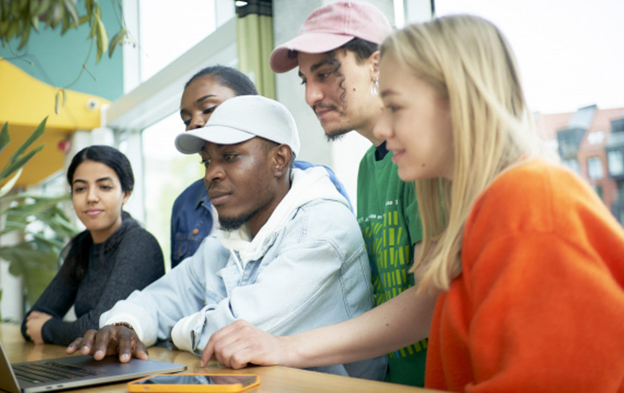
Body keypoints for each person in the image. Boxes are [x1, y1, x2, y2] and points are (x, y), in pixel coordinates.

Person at [372, 15, 624, 391]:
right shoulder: (495, 207)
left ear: (460, 102)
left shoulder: (529, 203)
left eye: (395, 107)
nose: (380, 129)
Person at [67, 95, 386, 381]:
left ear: (280, 159)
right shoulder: (229, 239)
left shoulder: (322, 229)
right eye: (207, 161)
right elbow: (162, 298)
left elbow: (237, 332)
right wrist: (125, 325)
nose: (211, 174)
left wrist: (170, 331)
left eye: (230, 157)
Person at [201, 2, 432, 387]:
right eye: (305, 80)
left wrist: (287, 347)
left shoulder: (423, 159)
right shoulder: (367, 167)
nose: (311, 96)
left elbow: (429, 302)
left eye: (325, 73)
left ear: (377, 65)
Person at [171, 65, 351, 268]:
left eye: (209, 109)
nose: (194, 123)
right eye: (186, 119)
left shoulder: (315, 196)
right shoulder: (187, 206)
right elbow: (181, 289)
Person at [21, 145, 165, 346]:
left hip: (138, 366)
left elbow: (103, 327)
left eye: (104, 187)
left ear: (126, 194)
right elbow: (31, 321)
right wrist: (47, 326)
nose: (91, 197)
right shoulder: (83, 245)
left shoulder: (139, 244)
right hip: (96, 364)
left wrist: (47, 329)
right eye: (80, 189)